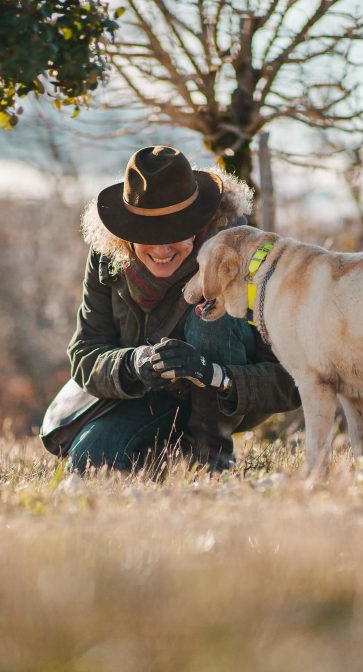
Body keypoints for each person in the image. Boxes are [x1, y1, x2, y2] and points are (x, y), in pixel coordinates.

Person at [40, 146, 300, 473]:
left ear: (201, 221)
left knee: (208, 315)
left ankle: (210, 459)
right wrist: (133, 363)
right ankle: (167, 454)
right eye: (149, 235)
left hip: (225, 391)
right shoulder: (106, 258)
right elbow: (85, 353)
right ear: (126, 233)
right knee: (91, 462)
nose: (163, 249)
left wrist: (212, 373)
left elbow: (292, 379)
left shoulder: (245, 254)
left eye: (176, 232)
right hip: (144, 395)